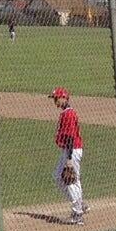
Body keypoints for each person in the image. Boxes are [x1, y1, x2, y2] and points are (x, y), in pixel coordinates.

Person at [52, 87, 86, 221]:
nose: (55, 101)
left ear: (64, 98)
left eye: (56, 98)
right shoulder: (68, 113)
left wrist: (69, 158)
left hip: (71, 150)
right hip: (72, 149)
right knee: (74, 179)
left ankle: (77, 212)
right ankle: (80, 204)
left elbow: (70, 137)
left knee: (64, 178)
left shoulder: (68, 114)